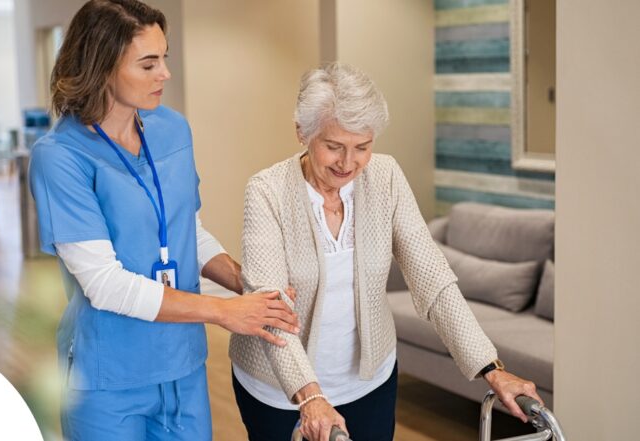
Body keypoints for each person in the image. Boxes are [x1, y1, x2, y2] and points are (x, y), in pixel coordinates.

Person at [228, 62, 543, 441]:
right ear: (302, 132)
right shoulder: (267, 191)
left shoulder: (386, 176)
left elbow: (433, 278)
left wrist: (490, 367)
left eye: (363, 147)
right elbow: (270, 307)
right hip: (279, 389)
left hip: (368, 380)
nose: (349, 163)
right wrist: (310, 397)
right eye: (334, 147)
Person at [28, 1, 299, 440]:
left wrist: (246, 285)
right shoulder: (60, 157)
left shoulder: (172, 129)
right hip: (108, 377)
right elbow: (104, 283)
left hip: (182, 365)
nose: (165, 75)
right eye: (148, 63)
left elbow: (184, 229)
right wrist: (225, 312)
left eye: (164, 58)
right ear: (101, 66)